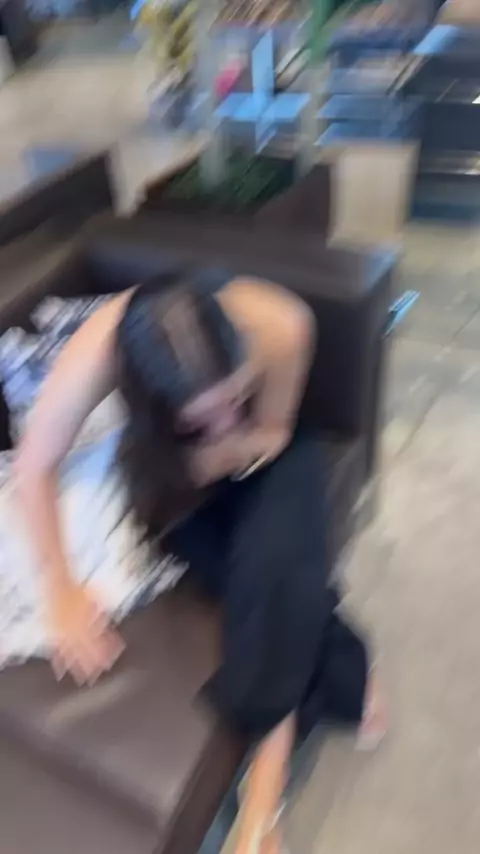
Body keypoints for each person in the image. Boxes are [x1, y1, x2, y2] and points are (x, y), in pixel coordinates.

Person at [15, 270, 386, 854]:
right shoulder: (97, 354)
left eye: (234, 396)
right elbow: (34, 467)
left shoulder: (282, 326)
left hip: (264, 452)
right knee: (264, 572)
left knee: (276, 556)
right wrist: (60, 587)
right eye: (198, 416)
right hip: (170, 469)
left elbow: (270, 433)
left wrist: (231, 442)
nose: (221, 420)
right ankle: (337, 660)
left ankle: (264, 783)